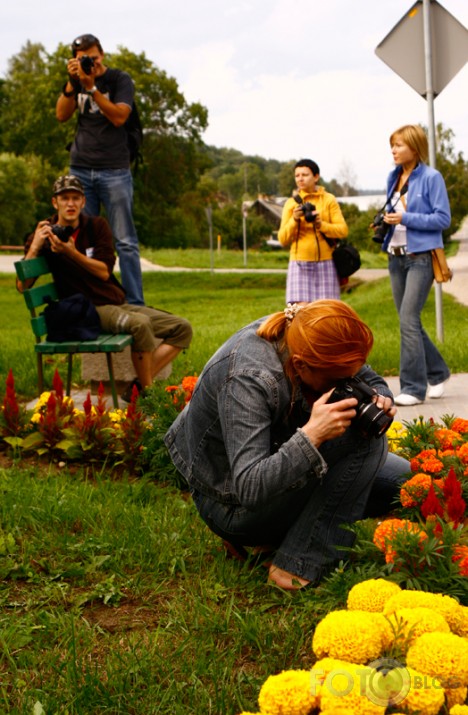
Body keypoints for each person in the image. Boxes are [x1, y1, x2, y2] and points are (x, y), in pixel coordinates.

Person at [165, 300, 410, 591]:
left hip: (280, 457)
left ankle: (284, 536)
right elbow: (250, 487)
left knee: (402, 484)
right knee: (363, 442)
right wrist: (312, 435)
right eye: (339, 380)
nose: (348, 384)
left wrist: (381, 396)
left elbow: (367, 376)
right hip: (230, 501)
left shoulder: (311, 334)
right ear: (300, 365)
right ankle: (296, 564)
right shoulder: (249, 378)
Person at [17, 175, 192, 402]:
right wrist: (35, 248)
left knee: (182, 328)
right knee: (140, 324)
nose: (70, 204)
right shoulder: (45, 233)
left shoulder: (97, 226)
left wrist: (70, 252)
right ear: (55, 202)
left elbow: (103, 272)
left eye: (75, 198)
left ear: (83, 202)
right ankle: (149, 396)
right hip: (88, 310)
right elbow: (23, 286)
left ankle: (138, 387)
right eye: (65, 198)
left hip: (115, 302)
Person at [56, 33, 144, 306]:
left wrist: (92, 88)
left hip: (114, 169)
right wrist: (74, 84)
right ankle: (90, 301)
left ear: (102, 55)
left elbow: (119, 116)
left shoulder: (119, 80)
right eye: (83, 58)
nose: (89, 63)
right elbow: (61, 114)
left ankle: (134, 303)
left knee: (125, 241)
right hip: (81, 168)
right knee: (81, 239)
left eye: (92, 57)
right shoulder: (76, 81)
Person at [375, 124, 451, 406]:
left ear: (415, 147)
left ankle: (413, 388)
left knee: (408, 320)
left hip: (421, 257)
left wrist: (405, 219)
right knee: (410, 321)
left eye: (399, 145)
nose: (394, 150)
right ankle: (439, 372)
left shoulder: (432, 178)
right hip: (395, 256)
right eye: (392, 145)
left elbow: (442, 219)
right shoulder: (392, 177)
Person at [278, 159, 349, 304]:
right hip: (299, 263)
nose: (300, 179)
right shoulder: (291, 203)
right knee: (300, 313)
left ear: (316, 177)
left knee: (327, 312)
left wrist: (321, 224)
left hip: (326, 263)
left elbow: (342, 231)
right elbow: (282, 239)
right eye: (297, 175)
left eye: (305, 174)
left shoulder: (328, 200)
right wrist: (294, 220)